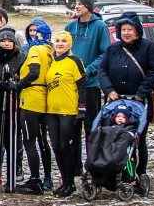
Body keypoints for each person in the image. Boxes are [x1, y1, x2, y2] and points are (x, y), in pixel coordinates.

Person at [99, 12, 154, 182]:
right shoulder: (112, 49)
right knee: (114, 136)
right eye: (123, 29)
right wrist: (108, 89)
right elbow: (102, 70)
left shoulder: (149, 47)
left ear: (137, 30)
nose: (126, 32)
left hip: (138, 102)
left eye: (130, 29)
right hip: (115, 101)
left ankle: (140, 172)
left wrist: (141, 93)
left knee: (138, 139)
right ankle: (114, 170)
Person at [65, 0, 111, 147]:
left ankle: (92, 164)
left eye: (81, 4)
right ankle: (75, 167)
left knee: (91, 126)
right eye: (76, 3)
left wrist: (88, 70)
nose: (77, 6)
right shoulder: (70, 27)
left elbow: (105, 53)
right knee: (72, 128)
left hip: (90, 84)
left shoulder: (100, 27)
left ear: (89, 7)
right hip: (71, 87)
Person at [45, 31, 86, 198]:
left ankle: (70, 183)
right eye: (57, 41)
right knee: (56, 147)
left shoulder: (74, 61)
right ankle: (64, 182)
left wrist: (82, 109)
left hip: (68, 111)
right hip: (51, 111)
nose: (60, 44)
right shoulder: (51, 61)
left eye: (64, 41)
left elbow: (83, 86)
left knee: (65, 146)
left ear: (69, 45)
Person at [14, 23, 54, 194]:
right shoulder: (50, 51)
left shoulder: (35, 50)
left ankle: (35, 180)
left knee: (29, 141)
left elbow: (34, 71)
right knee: (43, 140)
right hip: (45, 97)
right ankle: (47, 177)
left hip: (31, 99)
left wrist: (18, 84)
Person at [0, 27, 26, 193]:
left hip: (12, 105)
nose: (6, 44)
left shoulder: (20, 58)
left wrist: (14, 83)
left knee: (11, 142)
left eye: (9, 41)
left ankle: (12, 179)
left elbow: (24, 79)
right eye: (3, 41)